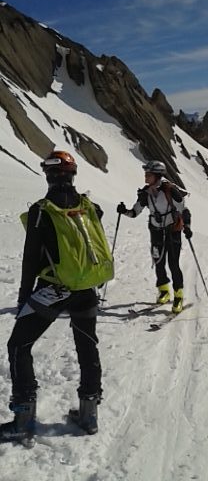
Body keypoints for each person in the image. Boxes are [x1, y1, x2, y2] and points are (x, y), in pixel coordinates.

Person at [2, 151, 113, 442]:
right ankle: (89, 416)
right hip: (87, 289)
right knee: (87, 346)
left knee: (18, 345)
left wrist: (25, 297)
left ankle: (24, 417)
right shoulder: (90, 207)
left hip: (54, 290)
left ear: (49, 175)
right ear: (72, 174)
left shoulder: (42, 210)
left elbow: (30, 260)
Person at [118, 160, 191, 314]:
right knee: (158, 261)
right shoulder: (145, 193)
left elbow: (184, 210)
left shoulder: (170, 190)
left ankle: (178, 296)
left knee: (173, 264)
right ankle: (164, 291)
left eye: (148, 174)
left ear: (157, 176)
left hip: (172, 231)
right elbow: (134, 213)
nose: (145, 177)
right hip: (156, 231)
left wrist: (188, 227)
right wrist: (124, 211)